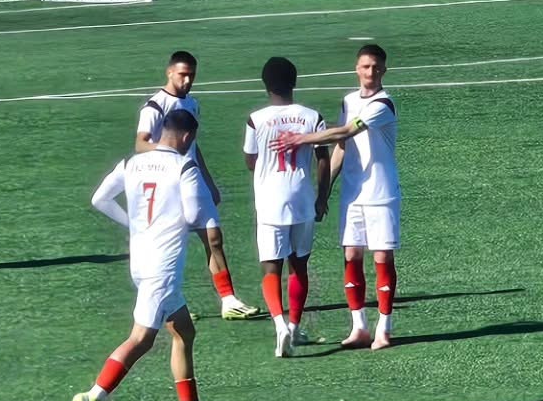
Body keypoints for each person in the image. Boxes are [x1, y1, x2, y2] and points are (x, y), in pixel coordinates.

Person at [74, 106, 226, 401]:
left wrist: (135, 224)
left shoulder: (131, 163)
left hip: (139, 261)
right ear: (188, 137)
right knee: (141, 338)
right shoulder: (184, 165)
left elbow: (101, 199)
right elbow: (191, 213)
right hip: (163, 265)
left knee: (184, 331)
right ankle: (94, 396)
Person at [281, 41, 399, 350]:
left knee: (382, 257)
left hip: (381, 193)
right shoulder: (348, 100)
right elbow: (341, 148)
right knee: (351, 256)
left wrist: (302, 138)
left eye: (375, 67)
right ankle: (359, 327)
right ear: (356, 69)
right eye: (365, 66)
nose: (370, 72)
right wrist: (325, 192)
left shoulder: (383, 105)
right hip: (352, 194)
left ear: (384, 70)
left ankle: (383, 329)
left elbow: (346, 132)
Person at [136, 51, 258, 320]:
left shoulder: (192, 104)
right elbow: (141, 143)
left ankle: (229, 300)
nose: (188, 80)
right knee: (169, 244)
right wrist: (167, 154)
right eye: (182, 74)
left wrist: (209, 181)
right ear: (169, 72)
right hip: (168, 182)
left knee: (214, 238)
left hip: (192, 179)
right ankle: (169, 303)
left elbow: (193, 145)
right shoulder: (155, 106)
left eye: (192, 74)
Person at [243, 57, 330, 358]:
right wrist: (322, 197)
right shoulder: (311, 116)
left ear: (265, 85)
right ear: (295, 81)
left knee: (271, 266)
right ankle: (294, 326)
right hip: (302, 199)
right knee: (299, 265)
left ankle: (279, 325)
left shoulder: (256, 119)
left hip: (269, 201)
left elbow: (250, 162)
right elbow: (323, 158)